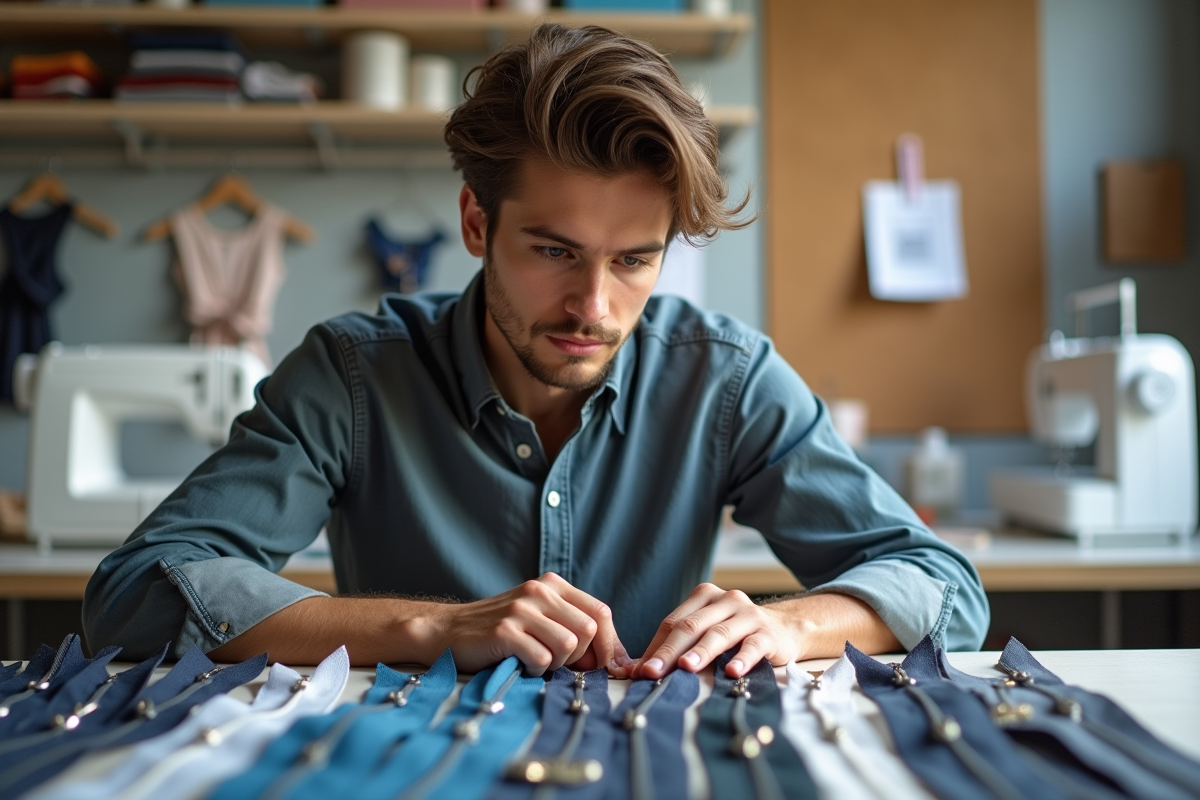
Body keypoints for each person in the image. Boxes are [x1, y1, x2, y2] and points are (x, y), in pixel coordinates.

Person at [83, 24, 988, 680]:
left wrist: (794, 626)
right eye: (554, 252)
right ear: (477, 223)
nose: (593, 306)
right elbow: (132, 594)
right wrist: (431, 629)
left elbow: (942, 584)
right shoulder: (353, 375)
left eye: (633, 261)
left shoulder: (725, 378)